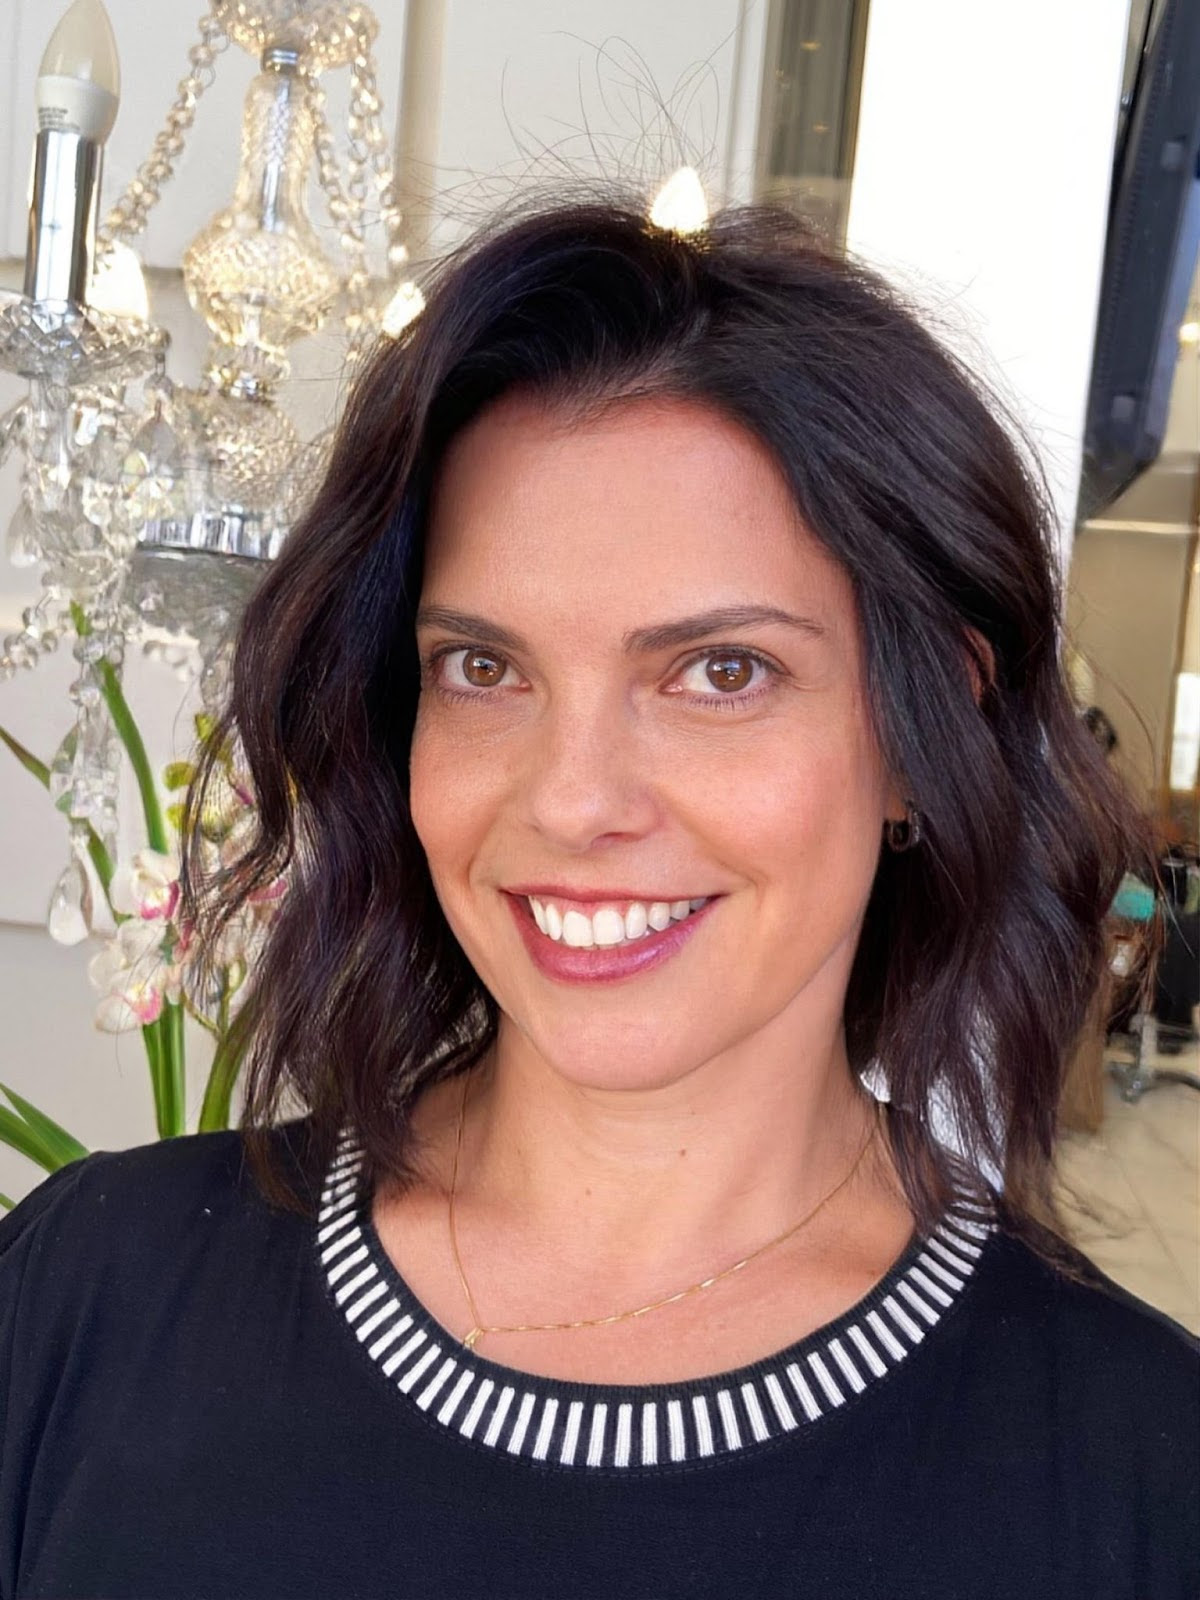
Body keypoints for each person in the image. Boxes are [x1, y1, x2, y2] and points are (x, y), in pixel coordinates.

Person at [2, 197, 1197, 1599]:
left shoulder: (1141, 1475)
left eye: (721, 673)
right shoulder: (84, 1295)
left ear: (926, 731)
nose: (571, 803)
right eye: (484, 669)